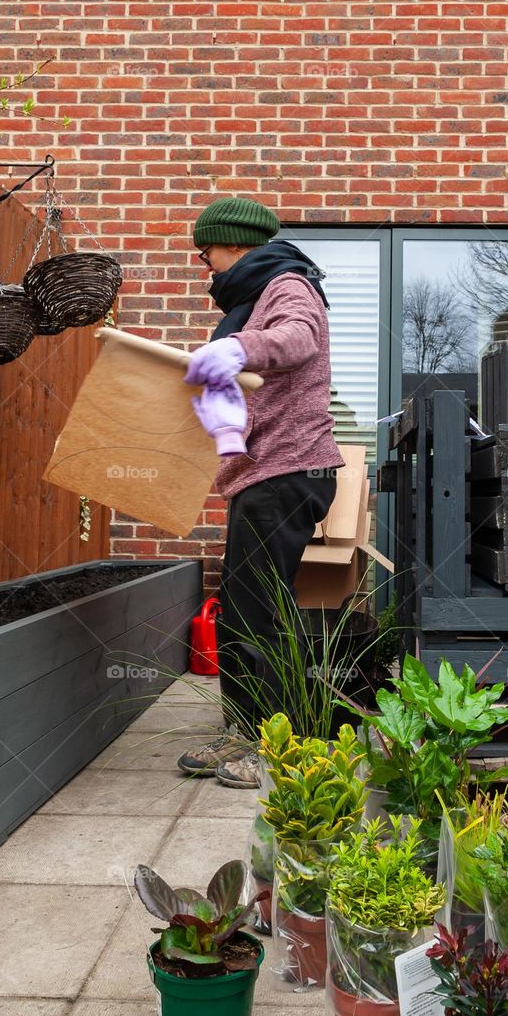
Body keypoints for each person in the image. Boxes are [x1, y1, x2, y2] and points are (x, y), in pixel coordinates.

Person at [176, 197, 344, 789]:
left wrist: (237, 349)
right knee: (244, 609)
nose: (206, 265)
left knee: (265, 611)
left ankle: (280, 743)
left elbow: (299, 338)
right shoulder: (257, 292)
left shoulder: (287, 282)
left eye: (208, 252)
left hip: (289, 471)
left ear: (236, 244)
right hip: (262, 474)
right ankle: (244, 731)